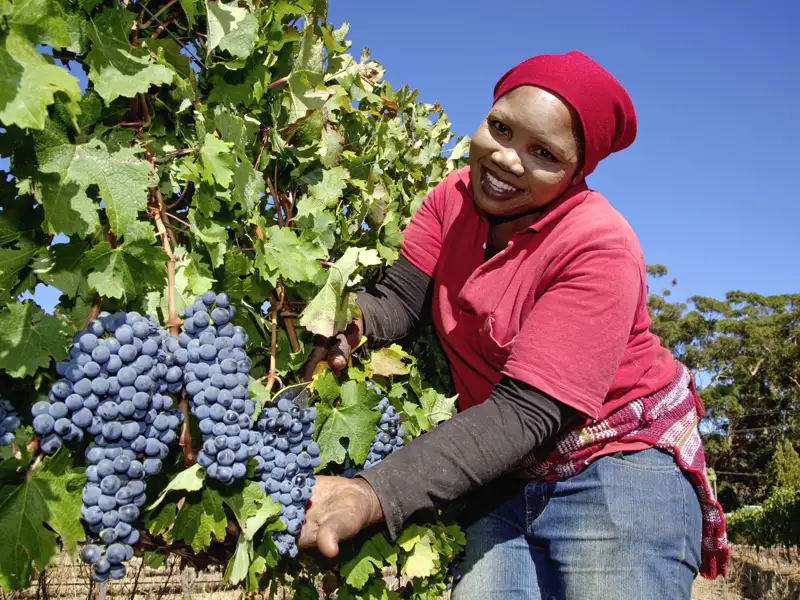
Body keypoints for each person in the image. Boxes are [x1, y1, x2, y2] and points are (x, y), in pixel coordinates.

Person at [297, 50, 730, 599]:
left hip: (619, 466)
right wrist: (344, 324)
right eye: (500, 127)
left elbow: (526, 411)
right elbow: (402, 300)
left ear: (576, 172)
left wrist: (373, 493)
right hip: (502, 475)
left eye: (543, 153)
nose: (507, 159)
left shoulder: (599, 245)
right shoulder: (451, 198)